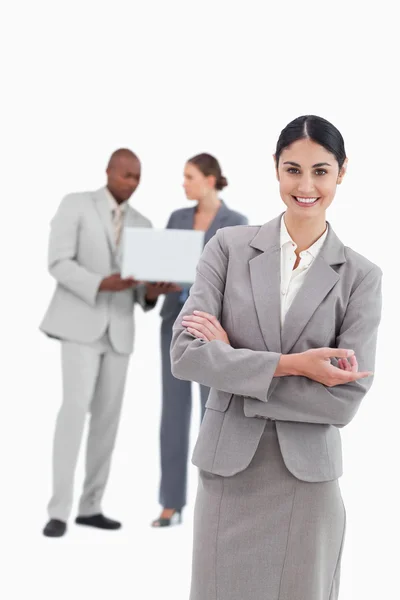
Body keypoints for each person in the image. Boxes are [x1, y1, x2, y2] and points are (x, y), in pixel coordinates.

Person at [170, 117, 382, 599]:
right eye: (293, 170)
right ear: (276, 170)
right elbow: (185, 355)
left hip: (306, 481)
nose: (306, 186)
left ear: (341, 174)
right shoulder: (227, 248)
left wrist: (232, 361)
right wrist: (295, 367)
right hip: (229, 473)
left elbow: (342, 402)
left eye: (321, 171)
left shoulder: (361, 277)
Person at [40, 149, 178, 537]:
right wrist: (102, 282)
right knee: (73, 411)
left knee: (107, 420)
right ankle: (58, 510)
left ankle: (91, 506)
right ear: (109, 172)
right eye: (125, 175)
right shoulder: (76, 205)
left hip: (119, 331)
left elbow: (141, 296)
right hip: (80, 324)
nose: (131, 182)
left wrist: (153, 291)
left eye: (137, 177)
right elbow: (58, 263)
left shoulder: (144, 224)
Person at [151, 153, 248, 528]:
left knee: (214, 414)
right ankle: (171, 503)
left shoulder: (235, 224)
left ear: (209, 180)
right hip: (172, 326)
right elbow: (159, 266)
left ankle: (217, 499)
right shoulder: (177, 218)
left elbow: (235, 285)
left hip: (212, 331)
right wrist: (153, 285)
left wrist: (188, 283)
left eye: (189, 177)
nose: (184, 183)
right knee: (173, 415)